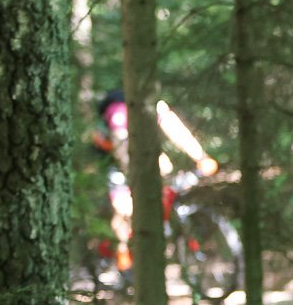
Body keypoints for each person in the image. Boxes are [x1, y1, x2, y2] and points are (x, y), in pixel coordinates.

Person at [89, 89, 219, 274]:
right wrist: (135, 176)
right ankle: (122, 251)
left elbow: (176, 130)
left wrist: (201, 157)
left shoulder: (154, 105)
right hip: (114, 160)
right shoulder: (118, 111)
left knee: (165, 167)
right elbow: (119, 146)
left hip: (140, 150)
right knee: (124, 208)